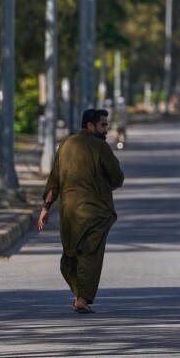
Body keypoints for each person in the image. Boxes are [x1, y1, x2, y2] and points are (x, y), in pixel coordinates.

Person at [38, 108, 124, 314]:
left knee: (71, 255)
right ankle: (83, 299)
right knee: (90, 256)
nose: (106, 129)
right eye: (103, 125)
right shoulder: (100, 147)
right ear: (90, 126)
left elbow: (54, 181)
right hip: (96, 213)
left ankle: (79, 296)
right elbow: (117, 178)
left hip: (68, 214)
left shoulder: (66, 144)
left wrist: (45, 208)